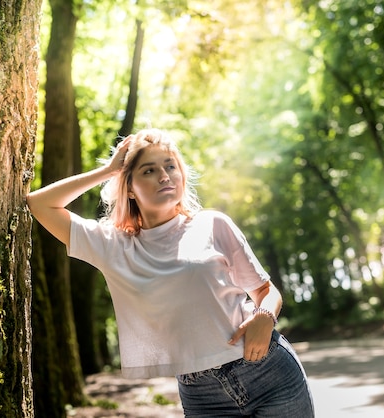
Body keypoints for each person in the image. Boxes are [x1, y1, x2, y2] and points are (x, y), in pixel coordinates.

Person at [27, 128, 315, 417]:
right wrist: (109, 170)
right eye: (149, 170)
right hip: (202, 395)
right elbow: (39, 203)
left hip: (268, 370)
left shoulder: (212, 224)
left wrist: (265, 318)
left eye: (170, 166)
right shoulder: (113, 246)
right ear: (128, 187)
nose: (164, 176)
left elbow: (266, 291)